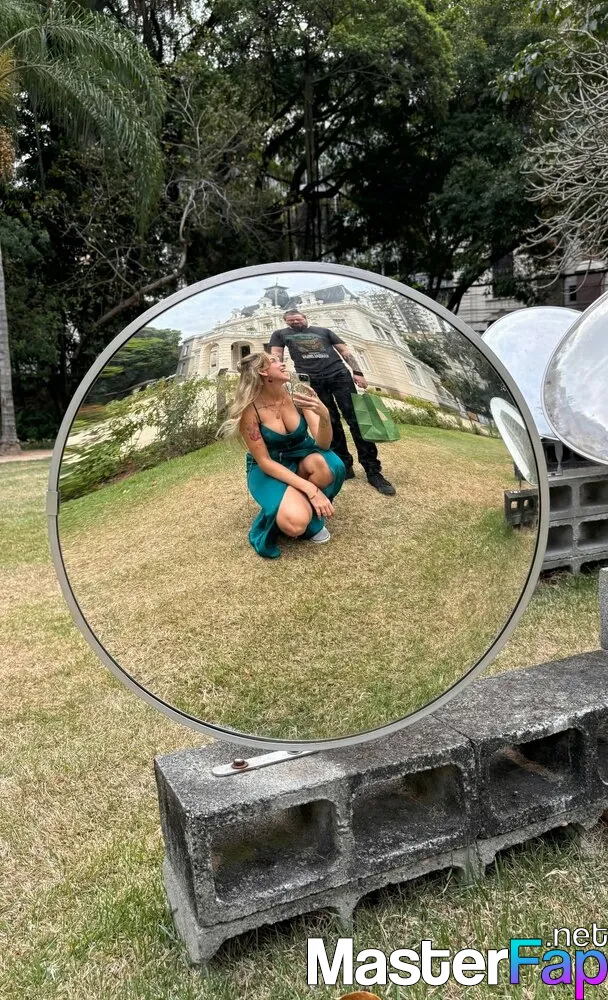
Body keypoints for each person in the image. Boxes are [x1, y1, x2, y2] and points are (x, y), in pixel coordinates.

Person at [220, 351, 346, 558]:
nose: (282, 363)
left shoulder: (298, 394)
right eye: (274, 361)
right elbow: (264, 462)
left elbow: (323, 444)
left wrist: (324, 416)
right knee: (295, 526)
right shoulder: (250, 410)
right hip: (269, 468)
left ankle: (293, 503)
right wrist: (311, 489)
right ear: (263, 372)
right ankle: (293, 507)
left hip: (303, 456)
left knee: (327, 465)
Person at [269, 310, 396, 495]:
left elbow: (344, 351)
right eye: (290, 321)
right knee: (329, 421)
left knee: (357, 421)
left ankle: (373, 470)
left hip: (339, 375)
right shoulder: (280, 334)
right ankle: (344, 465)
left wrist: (357, 372)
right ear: (285, 322)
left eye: (297, 319)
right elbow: (276, 356)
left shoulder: (324, 331)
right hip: (310, 380)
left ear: (305, 317)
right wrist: (277, 379)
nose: (295, 322)